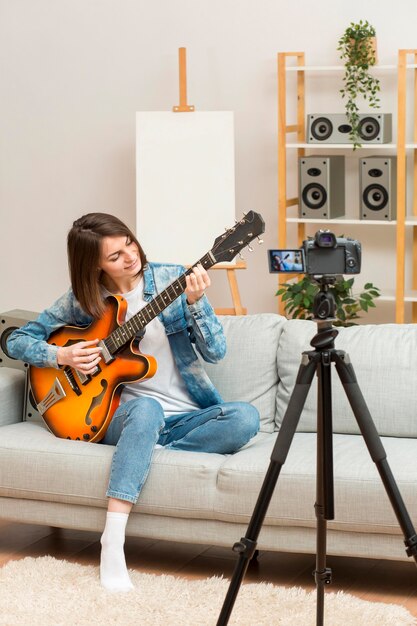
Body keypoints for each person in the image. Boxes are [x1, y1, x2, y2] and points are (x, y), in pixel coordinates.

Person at [7, 212, 260, 592]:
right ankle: (113, 540)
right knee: (146, 409)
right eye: (115, 256)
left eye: (129, 243)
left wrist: (195, 302)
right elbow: (16, 339)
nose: (130, 257)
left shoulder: (173, 279)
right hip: (118, 416)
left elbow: (217, 352)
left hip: (184, 418)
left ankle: (144, 449)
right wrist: (62, 357)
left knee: (245, 418)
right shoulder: (85, 299)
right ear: (94, 265)